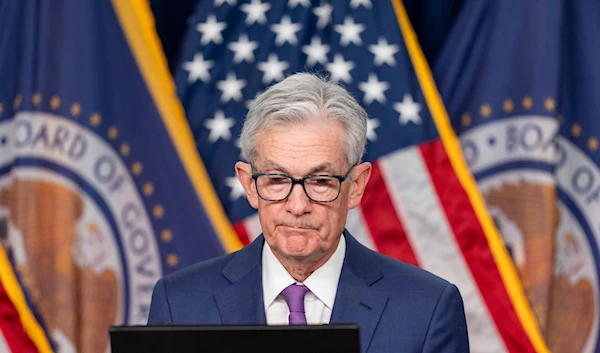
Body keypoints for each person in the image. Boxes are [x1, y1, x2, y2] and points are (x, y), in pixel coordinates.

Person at [147, 73, 469, 353]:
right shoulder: (180, 303)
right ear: (248, 184)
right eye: (276, 180)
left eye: (320, 181)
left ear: (356, 185)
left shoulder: (427, 309)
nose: (298, 206)